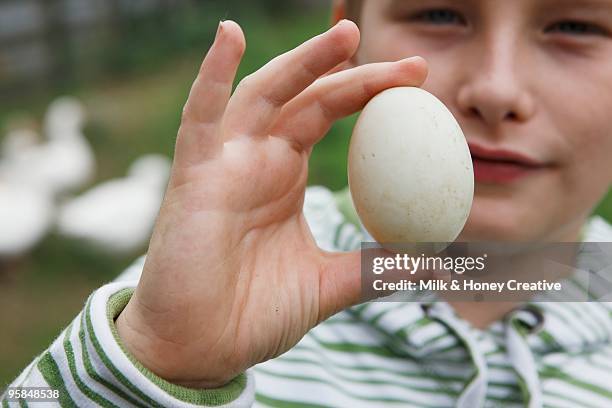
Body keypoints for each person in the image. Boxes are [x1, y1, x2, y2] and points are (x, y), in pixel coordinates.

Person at [3, 0, 612, 406]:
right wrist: (161, 362)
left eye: (577, 26)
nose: (497, 89)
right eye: (439, 11)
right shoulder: (223, 285)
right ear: (350, 39)